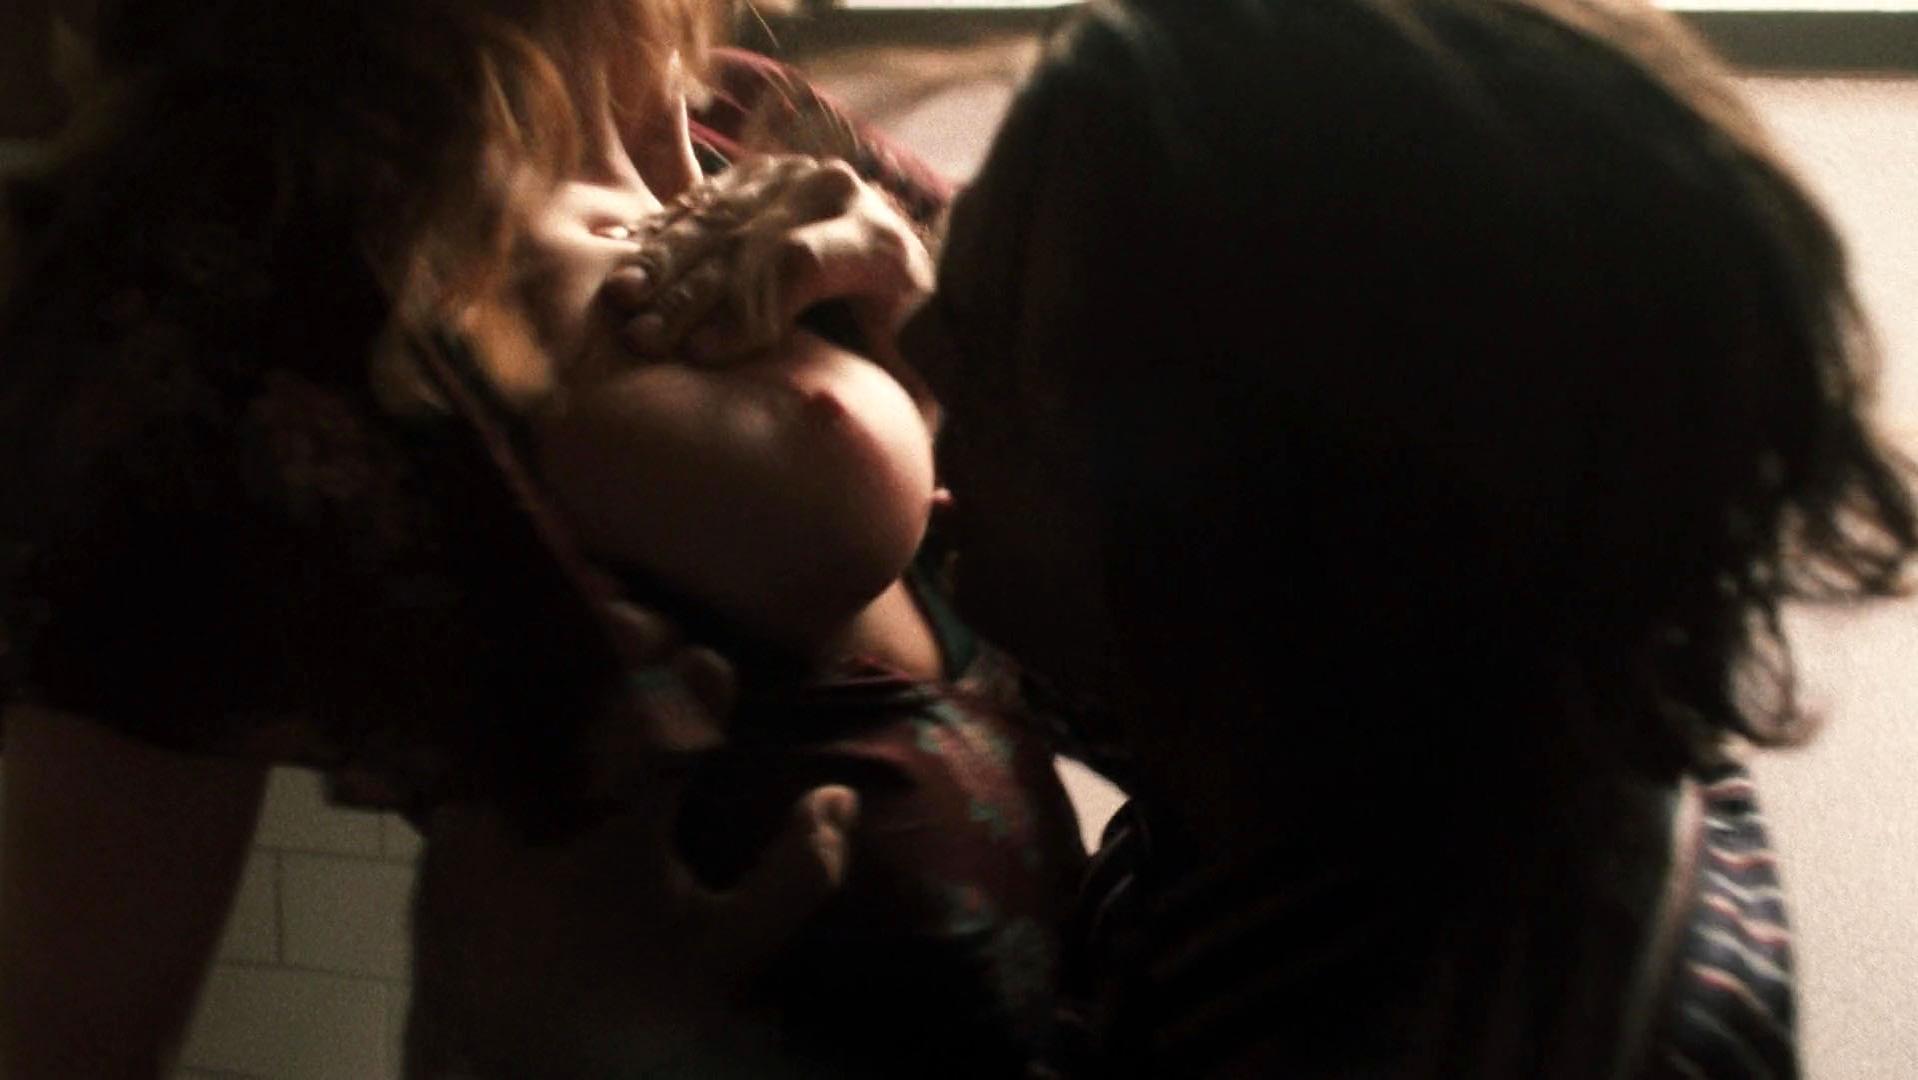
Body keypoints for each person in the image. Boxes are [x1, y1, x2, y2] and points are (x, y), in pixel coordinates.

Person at [618, 0, 1918, 1075]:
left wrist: (592, 1040)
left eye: (1012, 349)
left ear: (1284, 526)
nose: (925, 348)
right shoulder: (1455, 712)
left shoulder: (1430, 1034)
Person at [0, 1, 1081, 1076]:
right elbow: (65, 1047)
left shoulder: (755, 120)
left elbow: (1140, 629)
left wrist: (908, 297)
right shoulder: (232, 292)